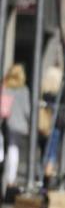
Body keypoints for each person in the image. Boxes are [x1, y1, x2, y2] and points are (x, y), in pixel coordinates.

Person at [2, 64, 32, 200]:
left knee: (7, 152)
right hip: (20, 126)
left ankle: (9, 179)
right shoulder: (24, 90)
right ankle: (11, 181)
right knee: (14, 152)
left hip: (6, 123)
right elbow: (27, 111)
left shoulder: (5, 87)